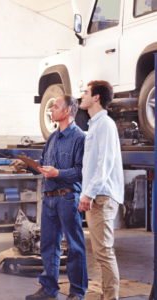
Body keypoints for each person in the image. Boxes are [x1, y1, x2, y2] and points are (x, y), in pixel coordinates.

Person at [11, 95, 88, 300]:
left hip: (68, 198)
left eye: (55, 106)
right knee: (47, 245)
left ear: (68, 111)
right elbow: (43, 163)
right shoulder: (52, 138)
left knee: (74, 246)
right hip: (49, 199)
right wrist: (27, 164)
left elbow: (81, 171)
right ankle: (48, 289)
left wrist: (58, 174)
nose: (51, 110)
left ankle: (77, 293)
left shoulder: (79, 138)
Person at [79, 80, 124, 300]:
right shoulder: (94, 125)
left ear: (96, 97)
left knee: (104, 252)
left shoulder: (105, 124)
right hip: (96, 195)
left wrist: (89, 193)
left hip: (102, 196)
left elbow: (104, 163)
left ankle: (110, 298)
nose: (82, 96)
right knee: (101, 252)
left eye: (86, 92)